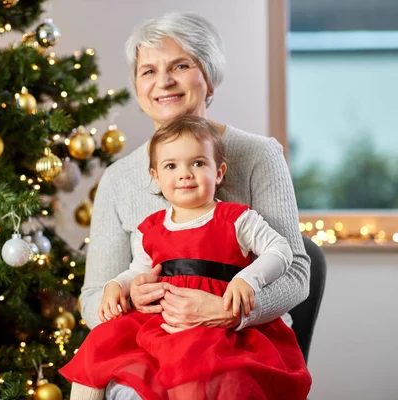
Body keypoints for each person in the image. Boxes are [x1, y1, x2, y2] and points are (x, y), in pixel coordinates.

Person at [78, 11, 311, 400]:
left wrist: (231, 311)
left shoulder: (257, 155)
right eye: (148, 70)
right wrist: (129, 299)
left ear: (209, 76)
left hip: (238, 343)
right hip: (151, 343)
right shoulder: (119, 178)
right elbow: (92, 297)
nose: (163, 81)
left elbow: (297, 272)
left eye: (180, 65)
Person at [60, 116, 311, 400]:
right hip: (165, 324)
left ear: (219, 172)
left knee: (207, 372)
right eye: (171, 166)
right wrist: (117, 286)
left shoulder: (236, 219)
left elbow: (281, 250)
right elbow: (139, 271)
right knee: (100, 344)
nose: (185, 174)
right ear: (156, 176)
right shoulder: (152, 228)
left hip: (218, 330)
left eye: (198, 163)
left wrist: (248, 280)